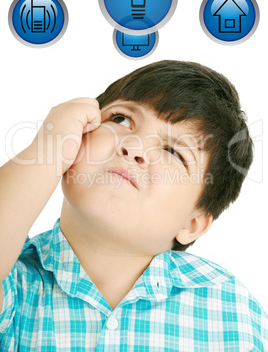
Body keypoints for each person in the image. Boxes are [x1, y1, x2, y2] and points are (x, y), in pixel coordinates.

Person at [0, 60, 267, 351]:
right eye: (121, 120)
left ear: (191, 224)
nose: (134, 147)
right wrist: (46, 149)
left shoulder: (230, 310)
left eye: (172, 151)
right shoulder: (13, 279)